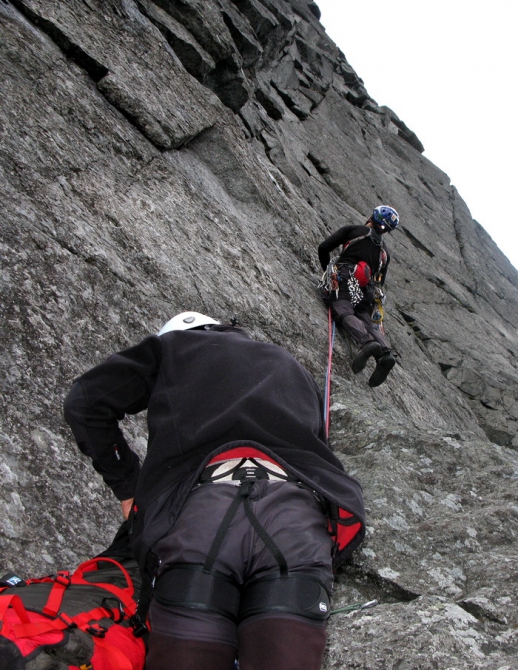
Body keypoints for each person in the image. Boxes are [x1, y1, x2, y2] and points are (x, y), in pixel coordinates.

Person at [63, 312, 365, 670]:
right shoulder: (290, 365)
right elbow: (318, 453)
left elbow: (85, 403)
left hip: (202, 518)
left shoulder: (174, 348)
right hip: (294, 520)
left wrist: (129, 487)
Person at [318, 205, 399, 387]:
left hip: (346, 277)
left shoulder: (354, 230)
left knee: (342, 308)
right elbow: (380, 282)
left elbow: (324, 247)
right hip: (367, 290)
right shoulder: (384, 253)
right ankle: (384, 354)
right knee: (366, 320)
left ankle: (366, 343)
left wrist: (329, 273)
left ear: (372, 216)